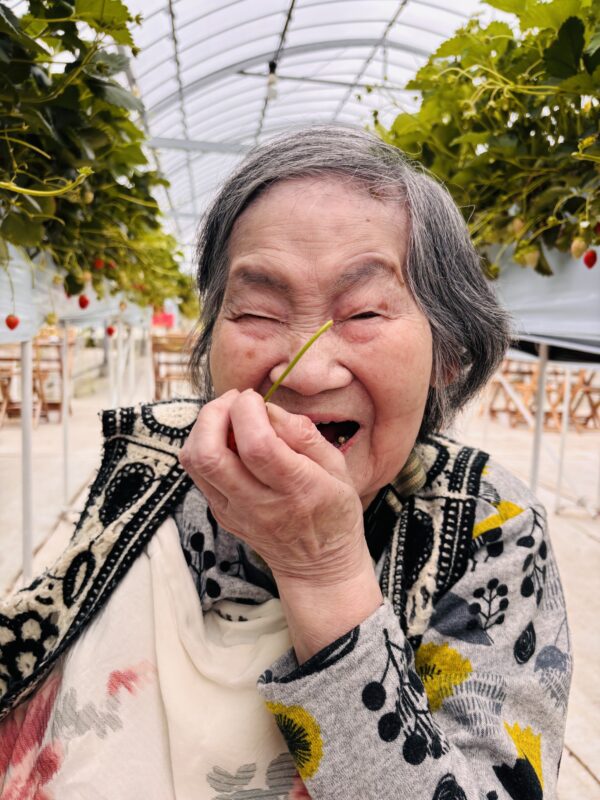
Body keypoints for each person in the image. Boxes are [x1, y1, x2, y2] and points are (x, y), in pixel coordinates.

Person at [0, 126, 570, 799]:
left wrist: (322, 569)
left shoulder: (489, 528)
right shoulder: (153, 461)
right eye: (257, 311)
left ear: (447, 353)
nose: (305, 370)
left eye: (363, 312)